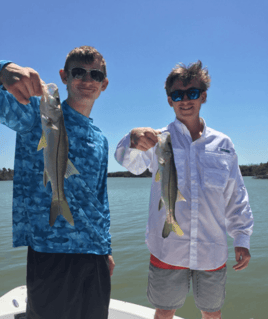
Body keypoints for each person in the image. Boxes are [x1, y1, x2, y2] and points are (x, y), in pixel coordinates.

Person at [114, 61, 253, 319]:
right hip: (167, 247)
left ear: (203, 96)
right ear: (169, 100)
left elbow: (236, 195)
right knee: (164, 311)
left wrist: (241, 238)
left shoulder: (223, 144)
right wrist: (131, 139)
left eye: (191, 93)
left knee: (212, 313)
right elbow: (129, 163)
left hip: (212, 249)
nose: (185, 100)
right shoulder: (157, 138)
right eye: (177, 95)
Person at [0, 46, 115, 319]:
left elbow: (102, 196)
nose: (87, 80)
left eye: (95, 74)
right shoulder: (36, 116)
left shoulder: (101, 138)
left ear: (104, 84)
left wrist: (106, 248)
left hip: (95, 253)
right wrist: (3, 68)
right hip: (51, 250)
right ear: (64, 76)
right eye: (78, 72)